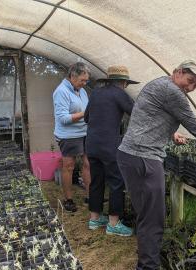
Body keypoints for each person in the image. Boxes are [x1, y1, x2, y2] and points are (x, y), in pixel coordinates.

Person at [117, 60, 196, 269]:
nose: (191, 87)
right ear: (178, 72)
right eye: (190, 81)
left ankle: (146, 260)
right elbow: (192, 123)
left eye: (195, 85)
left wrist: (171, 133)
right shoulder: (173, 91)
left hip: (132, 155)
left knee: (147, 215)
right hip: (143, 158)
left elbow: (149, 115)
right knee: (153, 220)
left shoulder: (159, 84)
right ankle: (148, 266)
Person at [84, 65, 138, 236]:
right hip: (109, 146)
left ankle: (94, 218)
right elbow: (138, 114)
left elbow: (86, 118)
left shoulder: (95, 93)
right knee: (116, 182)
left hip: (91, 144)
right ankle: (113, 223)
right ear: (122, 82)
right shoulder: (120, 94)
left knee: (96, 181)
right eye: (126, 84)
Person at [52, 62, 92, 212]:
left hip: (85, 132)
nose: (84, 83)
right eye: (82, 80)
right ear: (72, 76)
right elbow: (63, 118)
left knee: (88, 164)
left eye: (86, 80)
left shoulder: (81, 90)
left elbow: (86, 108)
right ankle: (68, 199)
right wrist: (85, 113)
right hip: (68, 135)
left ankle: (90, 196)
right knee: (69, 166)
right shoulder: (61, 91)